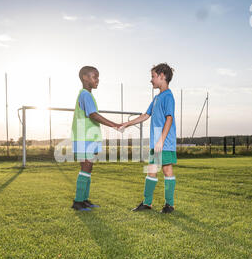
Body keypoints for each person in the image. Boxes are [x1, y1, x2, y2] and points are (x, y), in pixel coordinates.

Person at [120, 63, 177, 213]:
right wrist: (127, 123)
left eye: (153, 76)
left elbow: (169, 119)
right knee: (153, 170)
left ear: (162, 76)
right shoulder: (157, 98)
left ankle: (168, 205)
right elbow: (145, 115)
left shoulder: (168, 96)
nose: (151, 80)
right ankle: (148, 203)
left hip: (163, 142)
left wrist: (161, 140)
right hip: (157, 142)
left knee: (166, 170)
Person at [71, 66, 122, 211]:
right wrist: (114, 125)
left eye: (98, 77)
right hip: (84, 137)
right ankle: (78, 202)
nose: (97, 80)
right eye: (95, 77)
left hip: (88, 137)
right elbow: (93, 115)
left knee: (88, 167)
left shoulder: (87, 94)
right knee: (86, 167)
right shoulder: (85, 94)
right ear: (85, 78)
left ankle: (84, 200)